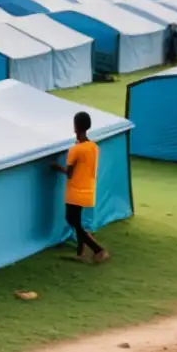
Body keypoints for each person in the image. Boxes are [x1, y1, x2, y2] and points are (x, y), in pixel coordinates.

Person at [51, 112, 109, 263]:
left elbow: (69, 173)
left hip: (75, 191)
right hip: (88, 190)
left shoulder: (75, 150)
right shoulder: (94, 147)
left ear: (75, 126)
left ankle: (98, 249)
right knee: (77, 222)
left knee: (72, 220)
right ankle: (80, 252)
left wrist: (57, 167)